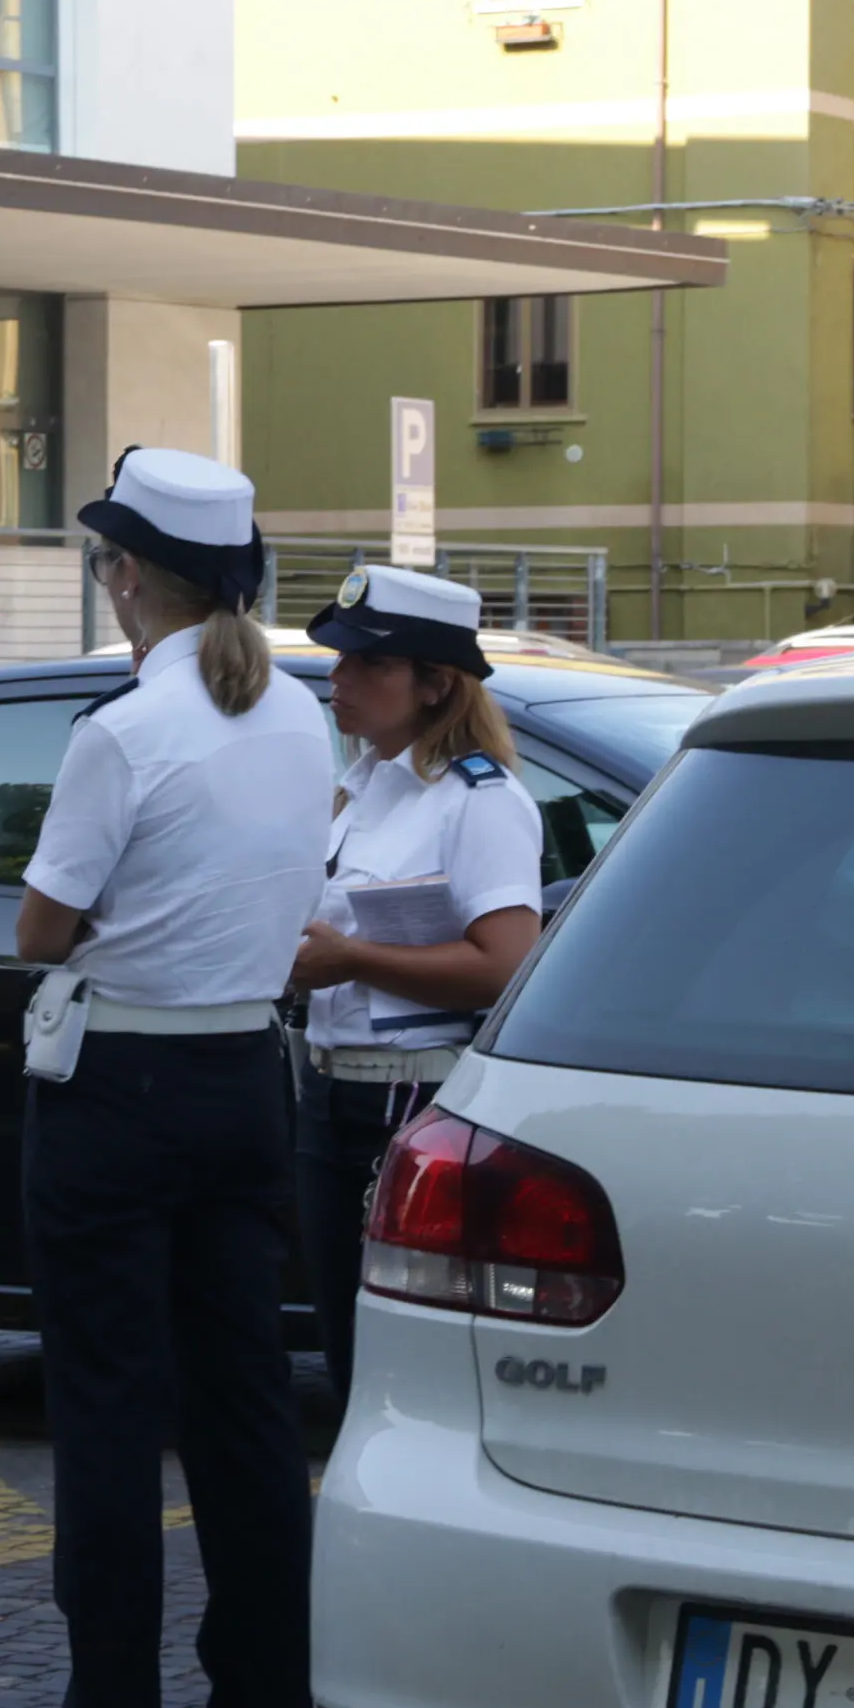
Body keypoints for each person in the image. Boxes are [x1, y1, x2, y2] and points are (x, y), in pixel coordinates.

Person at [10, 447, 336, 1708]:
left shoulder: (123, 732)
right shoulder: (302, 720)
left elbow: (42, 927)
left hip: (118, 1088)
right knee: (244, 1402)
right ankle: (264, 1694)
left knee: (105, 1402)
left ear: (130, 576)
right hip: (244, 1079)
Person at [288, 568, 546, 1399]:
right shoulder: (361, 789)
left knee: (399, 1372)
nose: (339, 679)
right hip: (330, 1095)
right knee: (346, 1354)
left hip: (410, 1104)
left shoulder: (478, 800)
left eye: (368, 665)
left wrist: (352, 960)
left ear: (436, 684)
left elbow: (505, 967)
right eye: (337, 660)